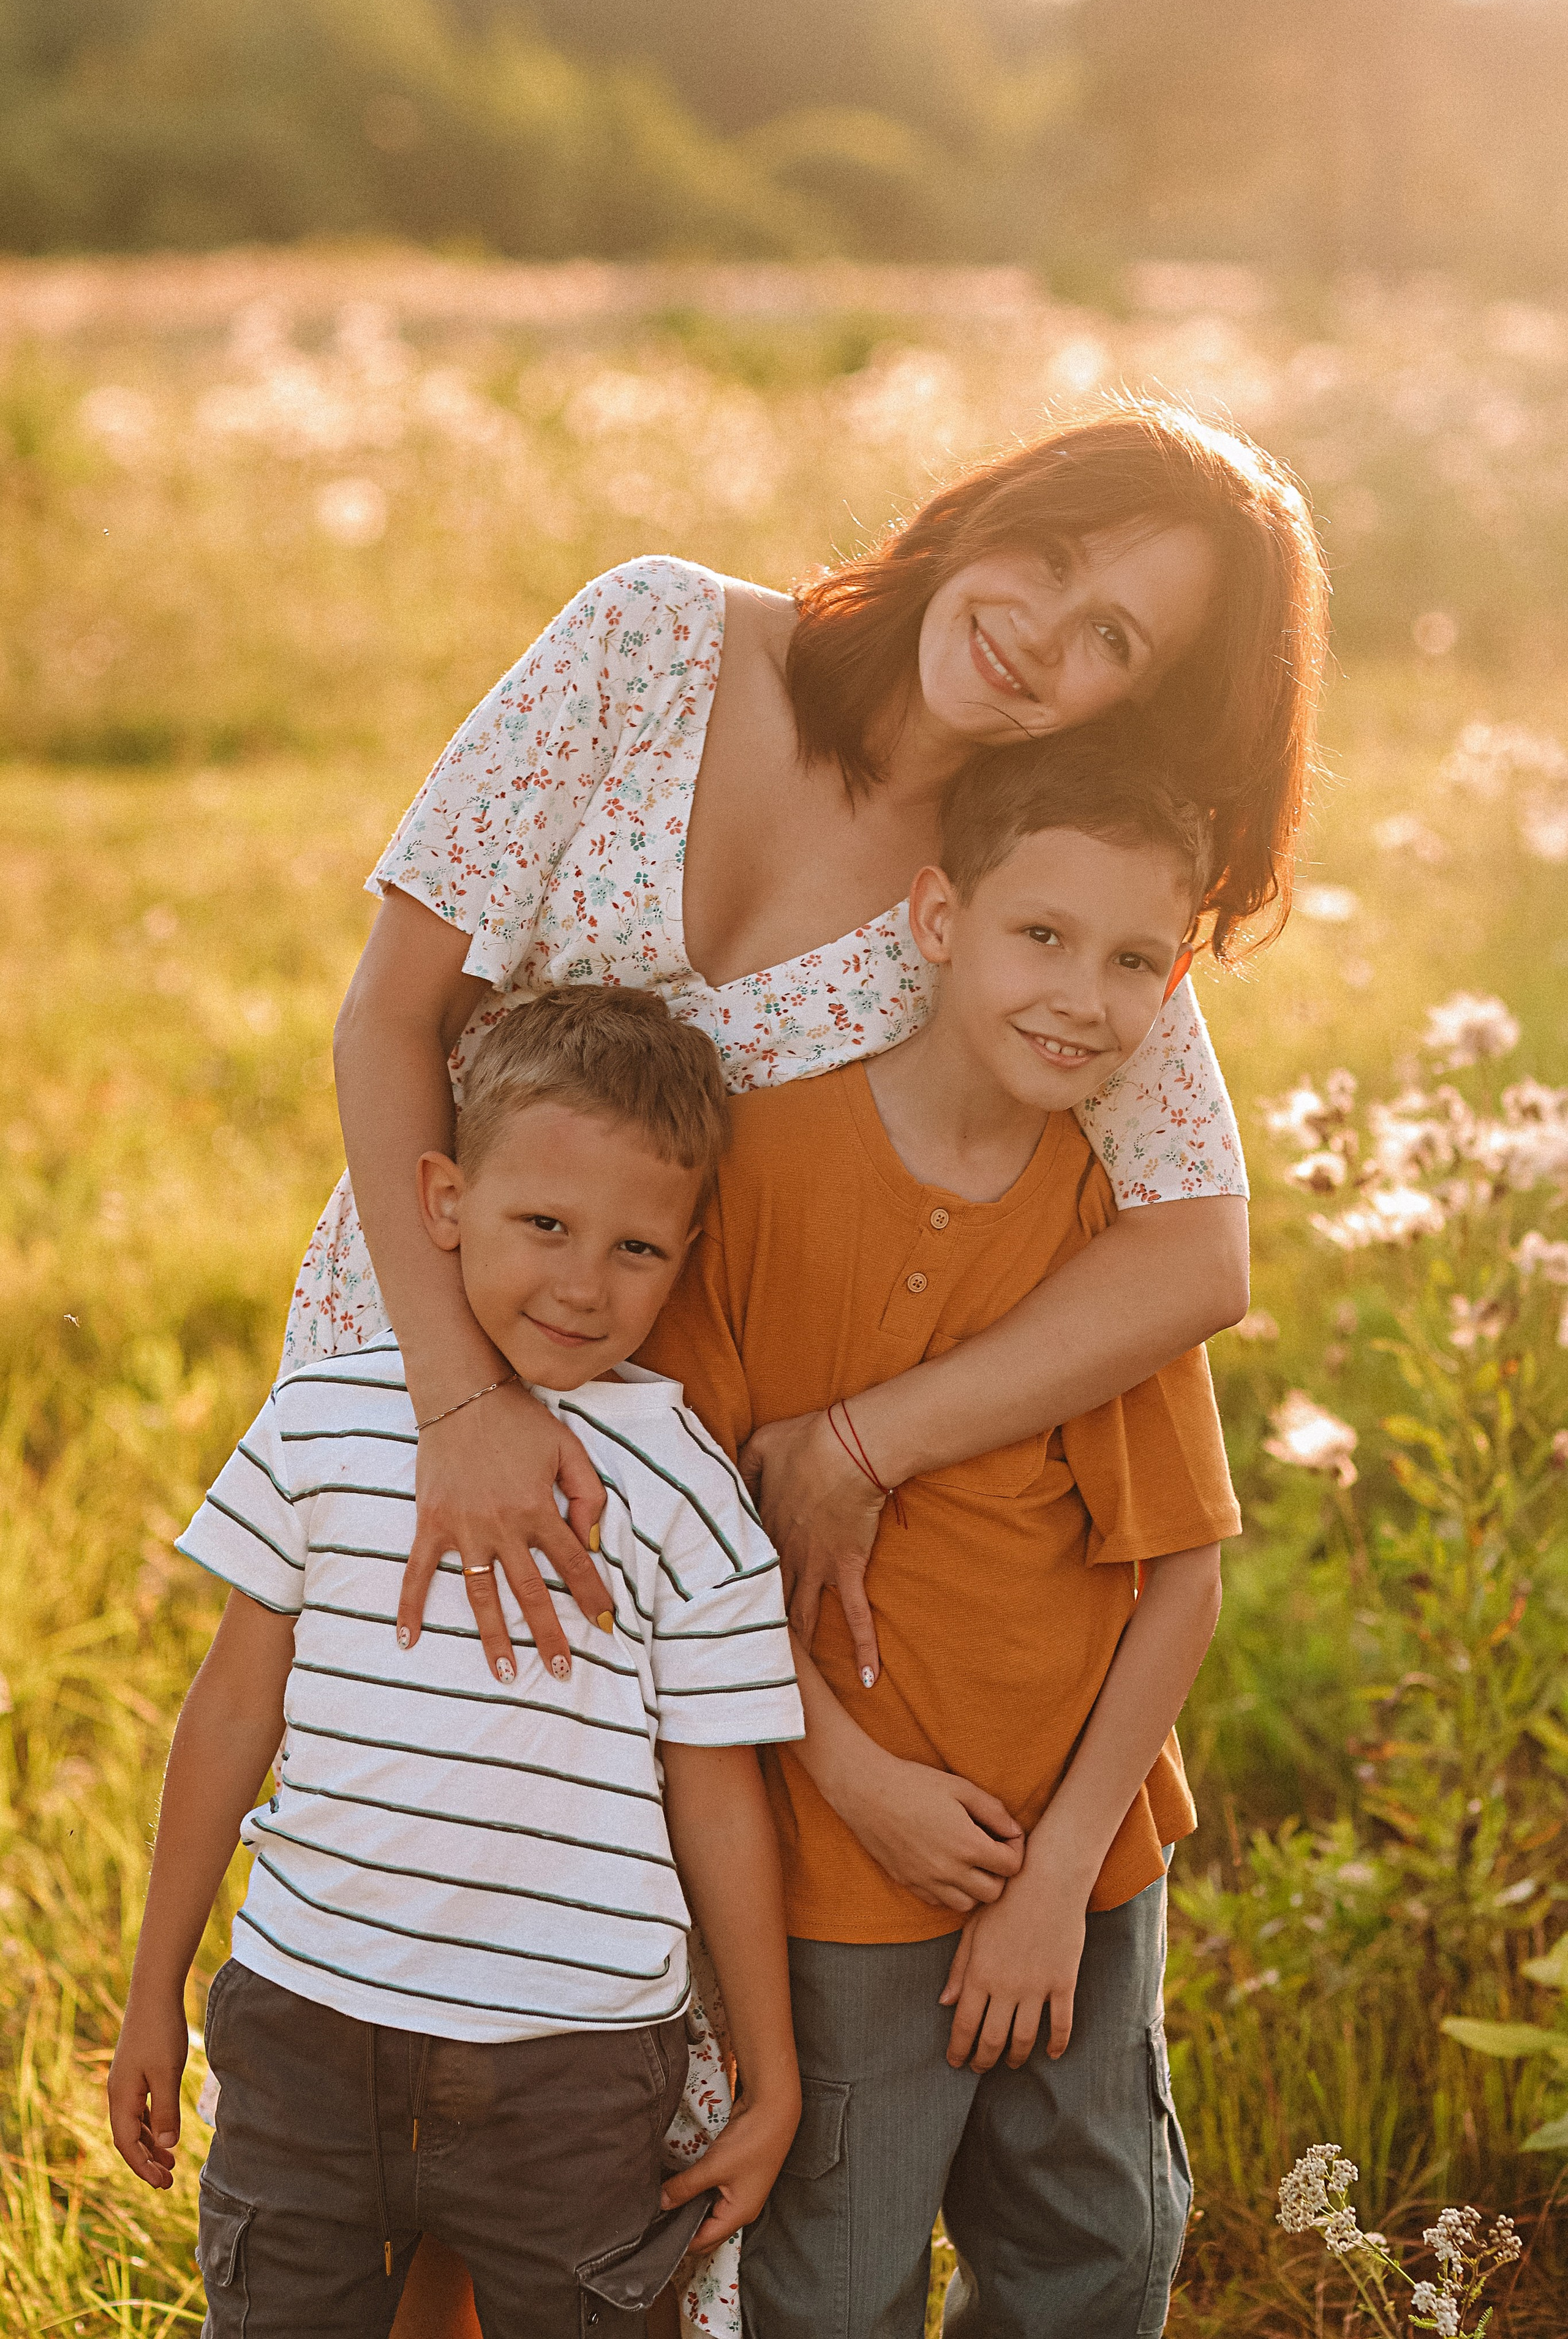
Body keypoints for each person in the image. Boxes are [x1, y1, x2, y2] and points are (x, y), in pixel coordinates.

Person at [300, 399, 1328, 2333]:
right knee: (402, 1984)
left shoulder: (1007, 884)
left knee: (577, 2066)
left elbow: (1199, 1248)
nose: (1044, 630)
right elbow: (389, 1019)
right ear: (990, 507)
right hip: (422, 1375)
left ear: (1140, 706)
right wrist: (457, 1405)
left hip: (682, 1515)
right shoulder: (654, 637)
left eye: (1118, 638)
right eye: (1057, 557)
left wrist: (860, 1441)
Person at [638, 720, 1243, 2337]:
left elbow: (1181, 1574)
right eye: (1041, 933)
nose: (1080, 994)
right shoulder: (759, 1169)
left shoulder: (1106, 1233)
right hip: (839, 1863)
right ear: (936, 919)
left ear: (1173, 981)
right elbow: (687, 1554)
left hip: (1078, 1865)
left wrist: (1058, 1872)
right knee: (833, 2280)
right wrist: (851, 1776)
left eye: (1131, 960)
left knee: (1091, 2249)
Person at [105, 990, 804, 2339]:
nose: (583, 1283)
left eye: (636, 1247)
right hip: (308, 2029)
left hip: (573, 2068)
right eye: (543, 1223)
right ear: (443, 1199)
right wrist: (153, 1992)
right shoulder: (324, 1419)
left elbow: (719, 1795)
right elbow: (232, 1710)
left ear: (686, 1253)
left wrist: (769, 2076)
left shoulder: (683, 1484)